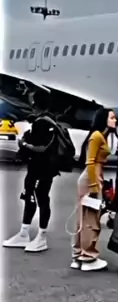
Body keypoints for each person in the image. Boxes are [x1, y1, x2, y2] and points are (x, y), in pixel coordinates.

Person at [3, 90, 69, 253]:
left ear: (35, 104)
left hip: (41, 169)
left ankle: (41, 237)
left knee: (40, 199)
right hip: (41, 168)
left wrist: (24, 144)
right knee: (30, 197)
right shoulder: (49, 120)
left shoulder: (42, 123)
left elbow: (41, 148)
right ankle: (24, 233)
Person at [72, 108, 117, 271]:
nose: (115, 120)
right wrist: (94, 186)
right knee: (90, 219)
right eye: (112, 118)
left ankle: (78, 254)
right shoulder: (97, 136)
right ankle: (88, 256)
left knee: (83, 218)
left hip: (92, 177)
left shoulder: (100, 135)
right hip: (91, 178)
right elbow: (90, 162)